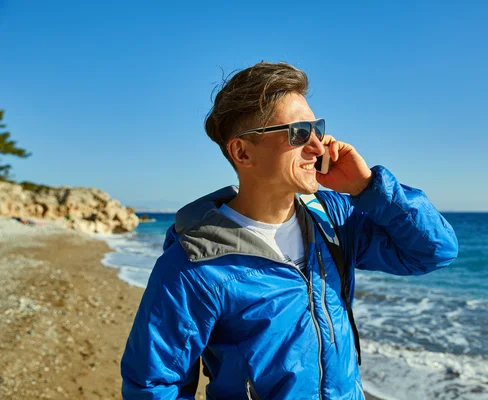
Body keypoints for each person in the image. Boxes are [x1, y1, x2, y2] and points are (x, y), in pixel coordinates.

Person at [121, 61, 458, 399]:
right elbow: (154, 386)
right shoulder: (194, 265)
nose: (318, 147)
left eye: (317, 129)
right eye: (299, 133)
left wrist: (367, 188)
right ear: (242, 151)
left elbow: (433, 251)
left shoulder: (332, 220)